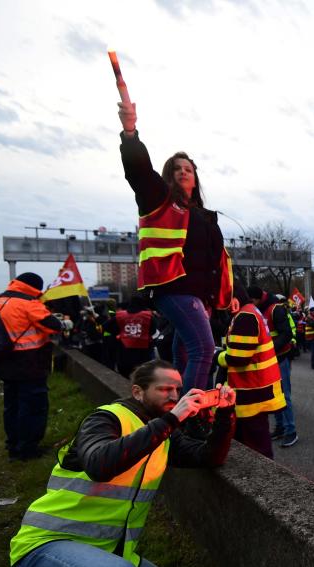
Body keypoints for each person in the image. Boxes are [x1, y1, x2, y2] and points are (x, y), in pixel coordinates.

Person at [8, 359, 235, 567]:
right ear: (138, 392)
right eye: (165, 389)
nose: (175, 397)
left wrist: (225, 416)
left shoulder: (162, 432)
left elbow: (208, 457)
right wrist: (172, 419)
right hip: (47, 545)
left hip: (107, 551)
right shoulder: (105, 419)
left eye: (178, 389)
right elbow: (100, 465)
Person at [117, 100, 233, 395]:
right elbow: (139, 172)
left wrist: (232, 298)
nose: (183, 172)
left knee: (185, 354)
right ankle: (187, 418)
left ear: (195, 178)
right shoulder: (161, 199)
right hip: (174, 289)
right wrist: (130, 134)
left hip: (198, 295)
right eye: (177, 168)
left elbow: (217, 263)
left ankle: (185, 406)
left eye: (188, 169)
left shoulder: (205, 217)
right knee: (204, 350)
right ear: (170, 175)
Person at [0, 273, 63, 461]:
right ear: (34, 286)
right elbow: (54, 326)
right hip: (30, 363)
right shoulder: (29, 303)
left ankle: (13, 446)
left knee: (11, 406)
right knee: (33, 407)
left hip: (5, 361)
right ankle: (28, 449)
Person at [216, 285, 285, 458]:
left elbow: (238, 358)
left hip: (251, 393)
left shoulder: (245, 316)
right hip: (254, 389)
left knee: (257, 449)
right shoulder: (250, 311)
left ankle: (265, 481)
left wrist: (218, 356)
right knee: (254, 443)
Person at [249, 287, 299, 447]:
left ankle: (291, 431)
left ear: (257, 298)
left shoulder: (276, 309)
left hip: (279, 357)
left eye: (252, 301)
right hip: (268, 359)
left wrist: (269, 350)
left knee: (284, 395)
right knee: (273, 395)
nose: (251, 304)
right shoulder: (261, 309)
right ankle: (280, 427)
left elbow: (286, 334)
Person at [107, 295, 156, 378]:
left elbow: (107, 328)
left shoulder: (119, 316)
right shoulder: (148, 316)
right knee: (143, 377)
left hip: (124, 355)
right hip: (143, 354)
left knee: (125, 377)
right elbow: (153, 330)